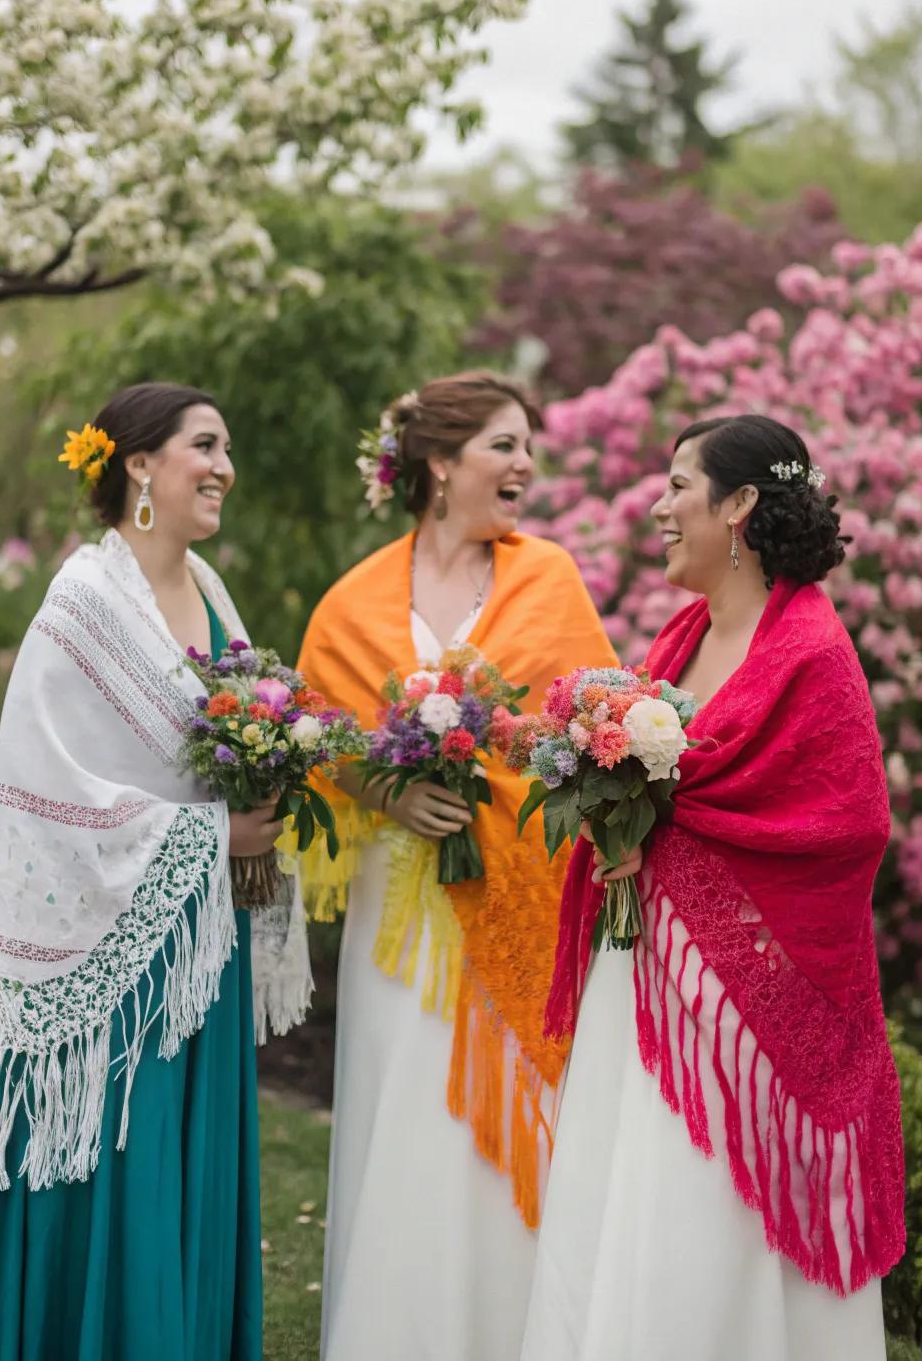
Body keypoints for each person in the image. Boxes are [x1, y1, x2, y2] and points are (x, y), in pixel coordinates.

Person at [523, 414, 905, 1361]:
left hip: (736, 1010)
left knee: (697, 1212)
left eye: (679, 485)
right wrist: (623, 825)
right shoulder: (681, 635)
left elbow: (849, 824)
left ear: (739, 507)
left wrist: (668, 834)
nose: (658, 507)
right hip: (640, 977)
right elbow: (660, 791)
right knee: (620, 1200)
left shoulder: (812, 651)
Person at [0, 382, 311, 1361]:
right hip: (107, 953)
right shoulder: (84, 602)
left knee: (189, 1180)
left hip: (202, 942)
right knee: (128, 1174)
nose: (224, 466)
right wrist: (208, 838)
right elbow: (43, 785)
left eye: (227, 447)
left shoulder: (213, 593)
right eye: (205, 445)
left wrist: (265, 812)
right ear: (139, 464)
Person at [292, 371, 618, 1361]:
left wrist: (499, 755)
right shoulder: (353, 600)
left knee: (504, 1120)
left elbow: (583, 726)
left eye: (528, 448)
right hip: (401, 912)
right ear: (439, 464)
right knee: (405, 1111)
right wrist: (388, 789)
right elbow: (323, 734)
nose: (526, 466)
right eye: (503, 447)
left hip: (517, 888)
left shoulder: (547, 576)